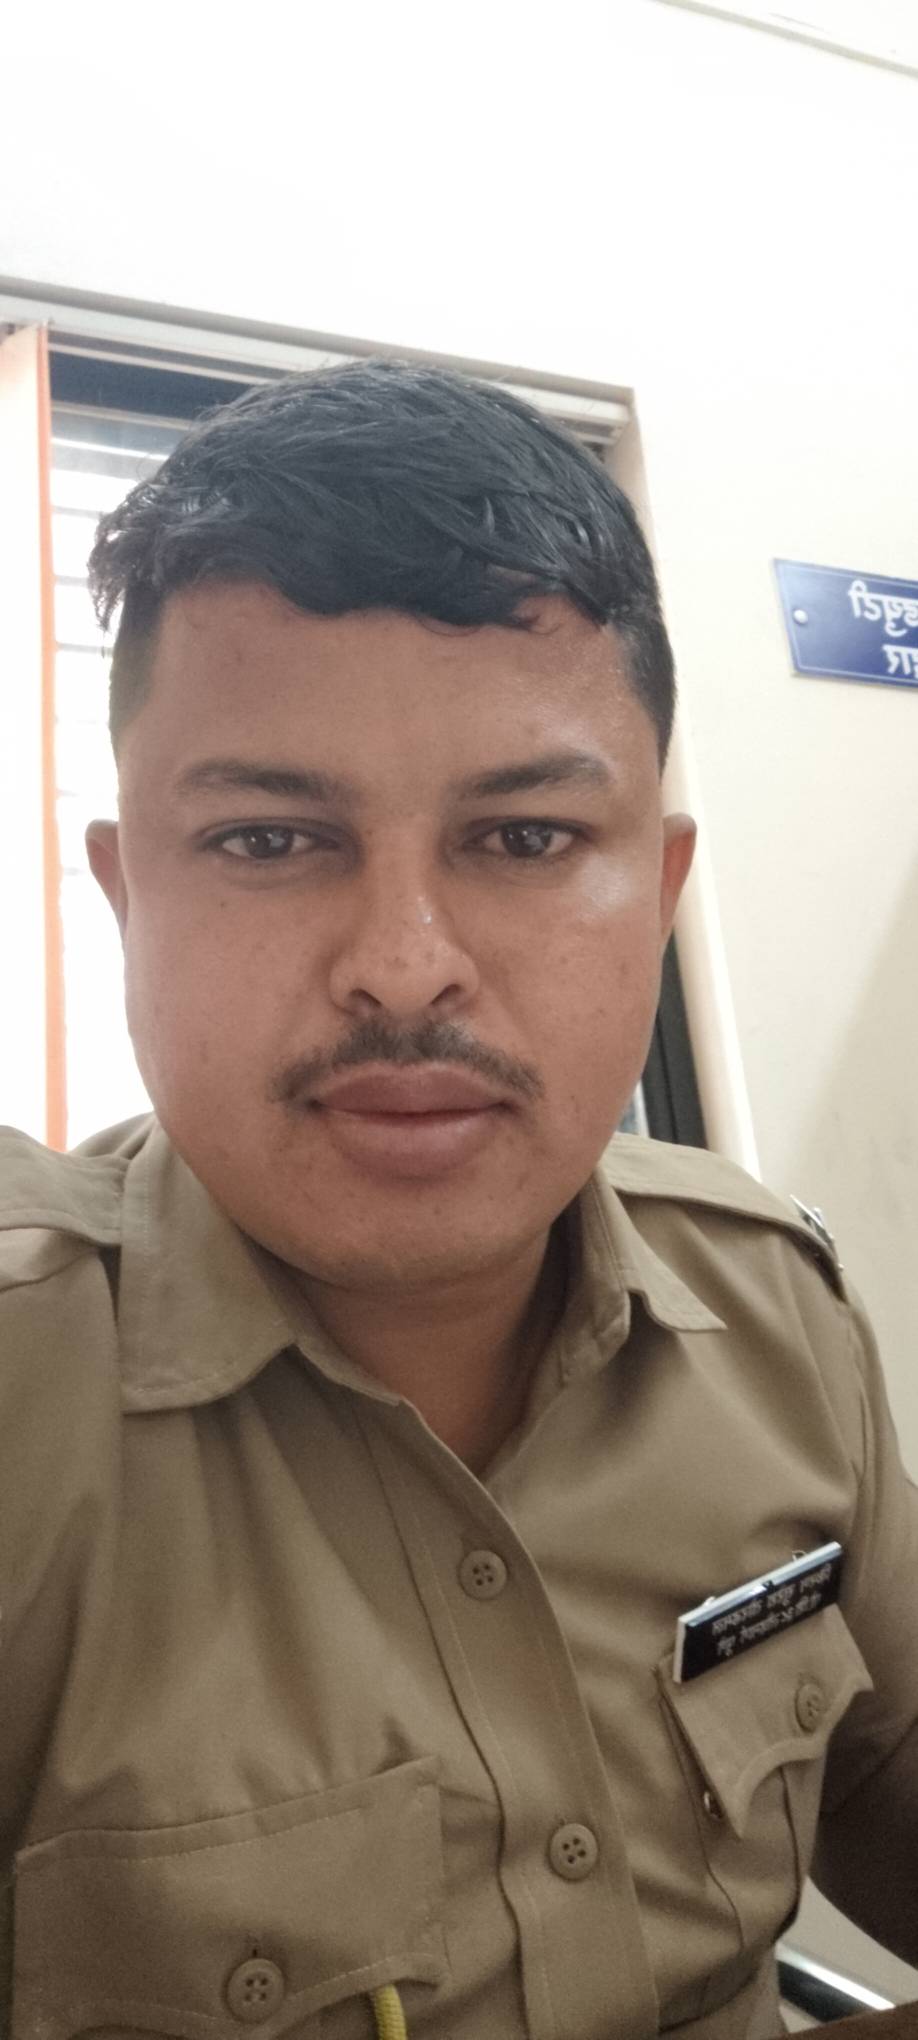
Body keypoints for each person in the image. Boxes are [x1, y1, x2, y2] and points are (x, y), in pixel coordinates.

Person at [0, 362, 915, 2040]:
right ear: (129, 900)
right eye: (269, 840)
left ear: (656, 892)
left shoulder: (776, 1309)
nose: (404, 966)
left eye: (523, 838)